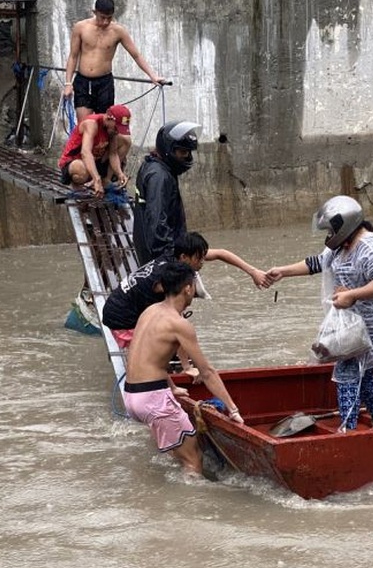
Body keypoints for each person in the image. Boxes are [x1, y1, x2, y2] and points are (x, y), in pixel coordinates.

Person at [264, 195, 373, 432]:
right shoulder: (342, 245)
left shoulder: (369, 248)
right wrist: (283, 271)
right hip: (351, 322)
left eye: (332, 229)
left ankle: (347, 431)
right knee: (362, 372)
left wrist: (352, 294)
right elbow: (319, 262)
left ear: (346, 226)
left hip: (370, 324)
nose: (329, 235)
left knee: (346, 373)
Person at [123, 260, 243, 476]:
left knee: (176, 450)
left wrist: (172, 387)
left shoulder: (149, 311)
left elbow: (148, 358)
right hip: (152, 400)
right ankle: (190, 505)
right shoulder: (179, 324)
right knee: (193, 459)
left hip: (132, 396)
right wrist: (233, 410)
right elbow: (206, 372)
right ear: (188, 288)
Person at [102, 231, 267, 350]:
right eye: (198, 259)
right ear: (184, 258)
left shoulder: (175, 255)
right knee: (172, 336)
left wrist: (252, 272)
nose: (202, 262)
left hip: (118, 305)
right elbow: (173, 316)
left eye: (203, 257)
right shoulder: (167, 278)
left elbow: (221, 254)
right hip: (121, 320)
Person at [62, 0, 165, 124]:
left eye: (109, 18)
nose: (105, 22)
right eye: (102, 17)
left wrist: (153, 75)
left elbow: (136, 55)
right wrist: (68, 83)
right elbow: (73, 56)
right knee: (85, 126)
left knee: (105, 125)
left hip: (104, 83)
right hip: (83, 82)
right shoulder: (81, 27)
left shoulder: (118, 31)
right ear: (95, 12)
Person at [133, 120, 200, 264]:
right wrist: (169, 260)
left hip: (158, 253)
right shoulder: (159, 176)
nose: (186, 156)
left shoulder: (155, 166)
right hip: (160, 258)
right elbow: (157, 221)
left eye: (188, 152)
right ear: (168, 149)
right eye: (182, 152)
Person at [57, 104, 131, 199]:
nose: (117, 131)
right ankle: (78, 184)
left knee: (126, 141)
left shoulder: (111, 130)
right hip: (74, 161)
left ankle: (106, 180)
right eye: (116, 128)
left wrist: (120, 173)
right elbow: (85, 153)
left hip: (95, 160)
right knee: (81, 169)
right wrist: (96, 179)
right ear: (109, 118)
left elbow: (113, 153)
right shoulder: (91, 124)